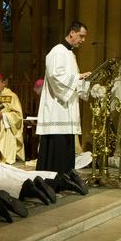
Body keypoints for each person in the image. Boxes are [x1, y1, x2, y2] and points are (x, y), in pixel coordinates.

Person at [37, 21, 91, 174]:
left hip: (66, 109)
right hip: (57, 109)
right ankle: (53, 179)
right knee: (57, 146)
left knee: (66, 146)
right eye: (81, 36)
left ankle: (65, 177)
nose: (83, 40)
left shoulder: (70, 54)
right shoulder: (57, 51)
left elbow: (73, 79)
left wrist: (85, 82)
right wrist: (78, 77)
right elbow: (55, 76)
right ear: (72, 33)